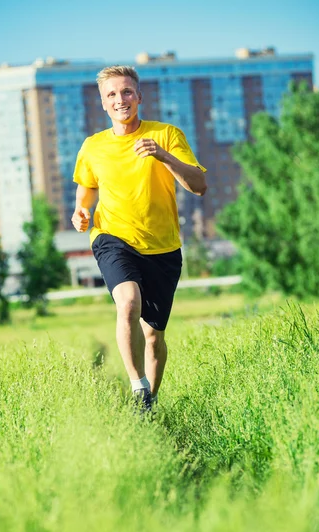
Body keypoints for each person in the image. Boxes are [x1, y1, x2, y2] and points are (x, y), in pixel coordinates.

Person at [72, 65, 207, 413]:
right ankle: (137, 385)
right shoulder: (93, 147)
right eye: (112, 95)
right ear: (103, 103)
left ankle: (150, 403)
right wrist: (81, 211)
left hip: (162, 246)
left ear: (139, 96)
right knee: (128, 303)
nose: (121, 100)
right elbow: (86, 187)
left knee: (152, 335)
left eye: (127, 92)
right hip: (112, 236)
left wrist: (162, 155)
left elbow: (199, 185)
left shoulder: (165, 135)